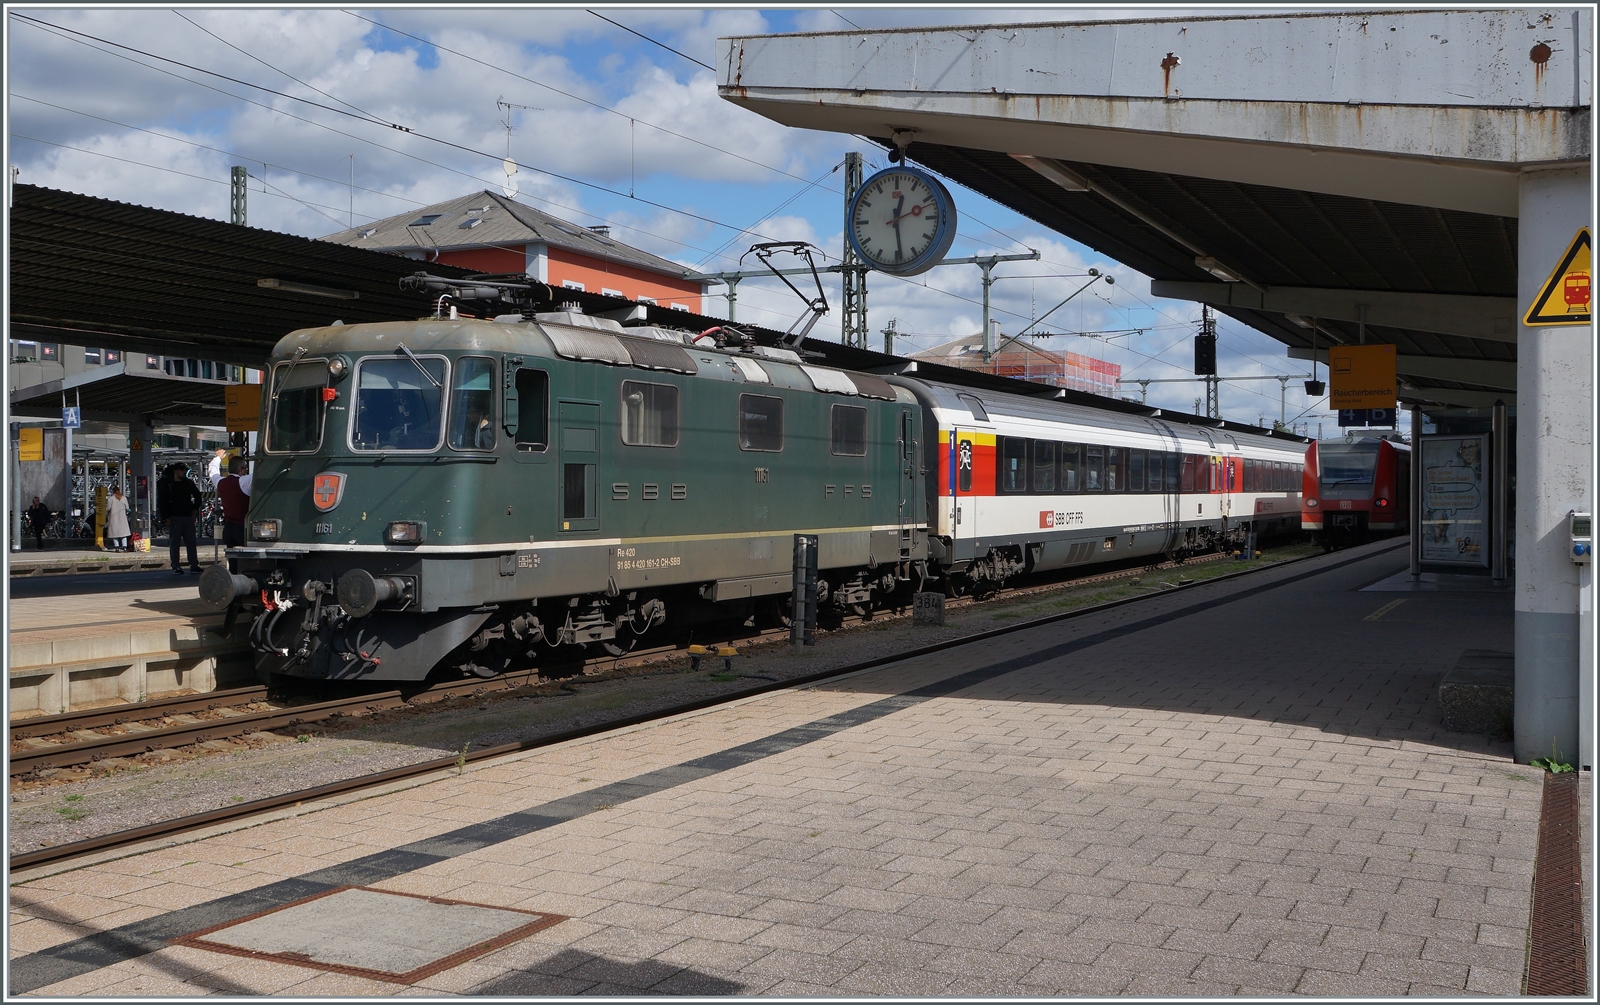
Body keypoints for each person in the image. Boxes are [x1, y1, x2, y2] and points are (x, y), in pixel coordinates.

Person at [208, 449, 252, 571]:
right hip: (242, 528)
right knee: (246, 561)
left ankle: (233, 580)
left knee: (233, 560)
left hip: (229, 528)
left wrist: (218, 458)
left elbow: (212, 471)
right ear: (242, 470)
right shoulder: (244, 481)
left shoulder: (221, 482)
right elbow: (260, 474)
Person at [161, 464, 203, 574]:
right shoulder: (169, 484)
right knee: (175, 543)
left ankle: (194, 564)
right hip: (174, 517)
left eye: (185, 470)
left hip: (187, 516)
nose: (184, 472)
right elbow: (162, 501)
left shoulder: (188, 483)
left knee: (191, 542)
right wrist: (165, 517)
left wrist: (195, 509)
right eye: (182, 470)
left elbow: (198, 496)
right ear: (175, 471)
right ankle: (176, 566)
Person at [104, 486, 131, 551]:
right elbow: (127, 507)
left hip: (114, 518)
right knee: (123, 534)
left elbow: (108, 508)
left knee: (115, 534)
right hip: (123, 518)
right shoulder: (124, 498)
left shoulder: (111, 499)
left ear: (113, 491)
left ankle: (117, 548)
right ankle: (124, 547)